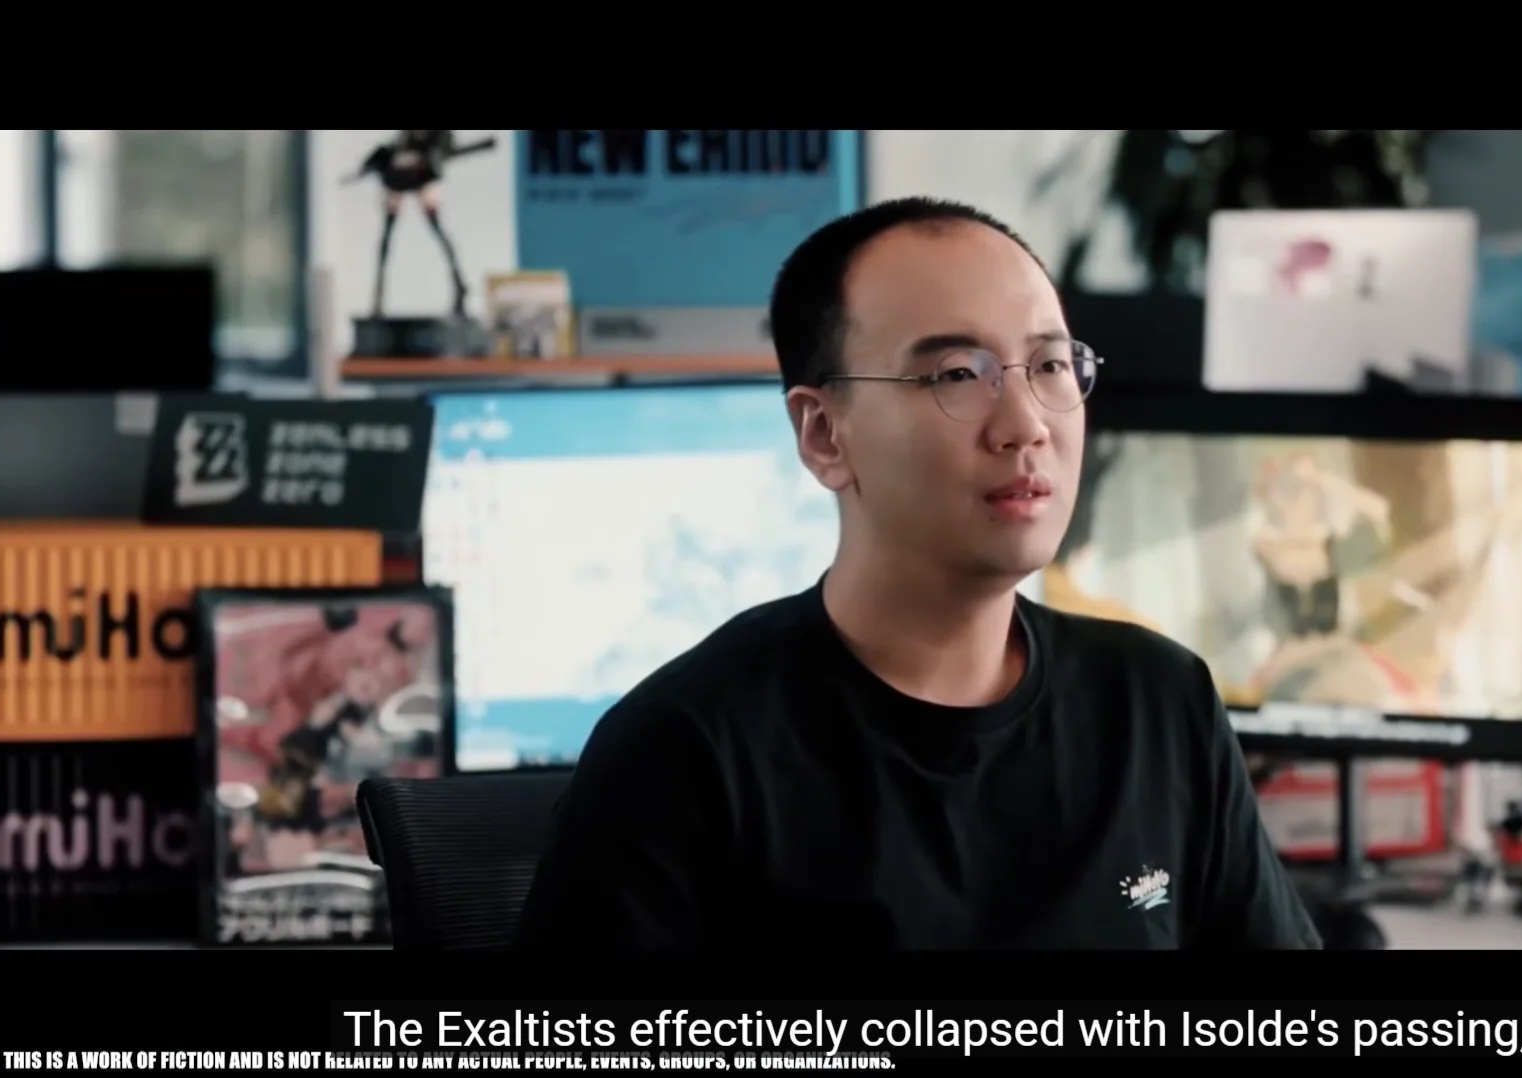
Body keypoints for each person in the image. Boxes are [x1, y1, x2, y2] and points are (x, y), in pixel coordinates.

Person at [516, 197, 1321, 951]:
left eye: (1049, 366)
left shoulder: (1159, 702)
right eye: (957, 375)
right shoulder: (683, 752)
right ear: (824, 434)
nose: (1026, 426)